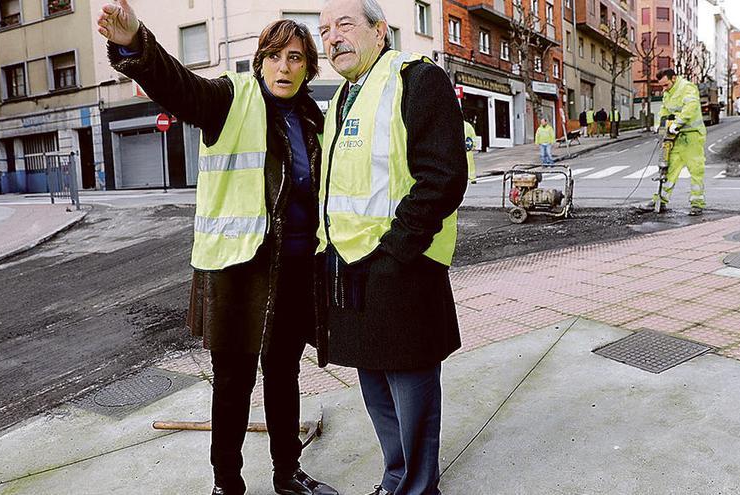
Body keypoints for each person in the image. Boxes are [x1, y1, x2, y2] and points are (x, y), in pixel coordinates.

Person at [97, 3, 339, 495]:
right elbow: (178, 86)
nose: (284, 67)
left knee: (283, 376)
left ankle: (287, 474)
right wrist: (134, 44)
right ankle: (227, 484)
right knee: (233, 384)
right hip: (238, 271)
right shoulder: (230, 99)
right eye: (274, 56)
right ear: (260, 61)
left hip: (294, 268)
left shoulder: (314, 117)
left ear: (309, 67)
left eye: (296, 58)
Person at [315, 0, 467, 493]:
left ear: (380, 31)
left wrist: (398, 250)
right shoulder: (341, 98)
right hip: (349, 264)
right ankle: (396, 476)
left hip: (403, 264)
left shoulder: (416, 80)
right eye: (323, 31)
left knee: (410, 382)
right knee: (373, 378)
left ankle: (419, 487)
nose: (331, 37)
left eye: (343, 25)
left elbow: (443, 176)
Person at [639, 68, 707, 216]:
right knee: (669, 171)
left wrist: (678, 123)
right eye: (662, 85)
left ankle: (697, 203)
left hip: (692, 136)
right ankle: (660, 201)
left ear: (674, 78)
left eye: (666, 84)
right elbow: (664, 111)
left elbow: (691, 107)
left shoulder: (687, 87)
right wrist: (660, 124)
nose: (664, 88)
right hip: (675, 137)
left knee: (696, 170)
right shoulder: (667, 93)